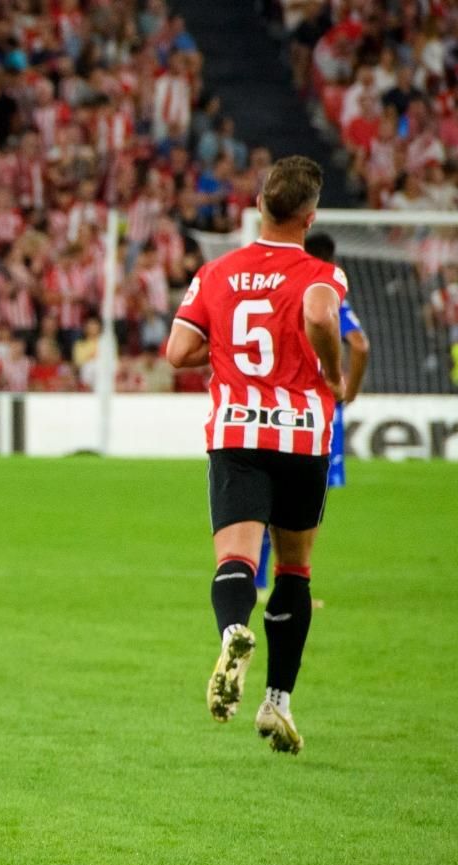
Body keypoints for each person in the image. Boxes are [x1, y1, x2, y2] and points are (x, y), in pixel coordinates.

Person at [164, 156, 347, 755]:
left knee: (236, 561)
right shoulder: (321, 272)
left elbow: (177, 350)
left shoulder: (217, 271)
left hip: (237, 433)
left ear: (261, 204)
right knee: (294, 568)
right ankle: (277, 703)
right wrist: (333, 369)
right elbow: (320, 314)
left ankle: (233, 630)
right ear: (309, 215)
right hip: (299, 436)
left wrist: (226, 356)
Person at [255, 231, 369, 594]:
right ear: (332, 261)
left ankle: (258, 581)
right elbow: (360, 345)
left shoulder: (280, 290)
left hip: (273, 401)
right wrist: (347, 390)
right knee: (305, 500)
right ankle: (290, 583)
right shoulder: (326, 292)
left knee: (269, 490)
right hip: (317, 408)